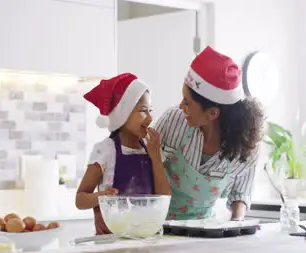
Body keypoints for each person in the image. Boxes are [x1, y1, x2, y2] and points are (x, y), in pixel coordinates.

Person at [154, 46, 265, 220]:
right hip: (158, 224)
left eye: (187, 102)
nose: (181, 107)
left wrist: (236, 227)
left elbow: (240, 193)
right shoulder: (173, 120)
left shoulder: (246, 145)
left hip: (203, 231)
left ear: (212, 113)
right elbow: (143, 170)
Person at [75, 73, 170, 235]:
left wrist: (156, 158)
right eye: (143, 111)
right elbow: (80, 199)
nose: (150, 117)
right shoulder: (105, 150)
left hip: (146, 236)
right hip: (112, 238)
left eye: (150, 110)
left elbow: (164, 198)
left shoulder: (151, 149)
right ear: (122, 115)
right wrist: (101, 197)